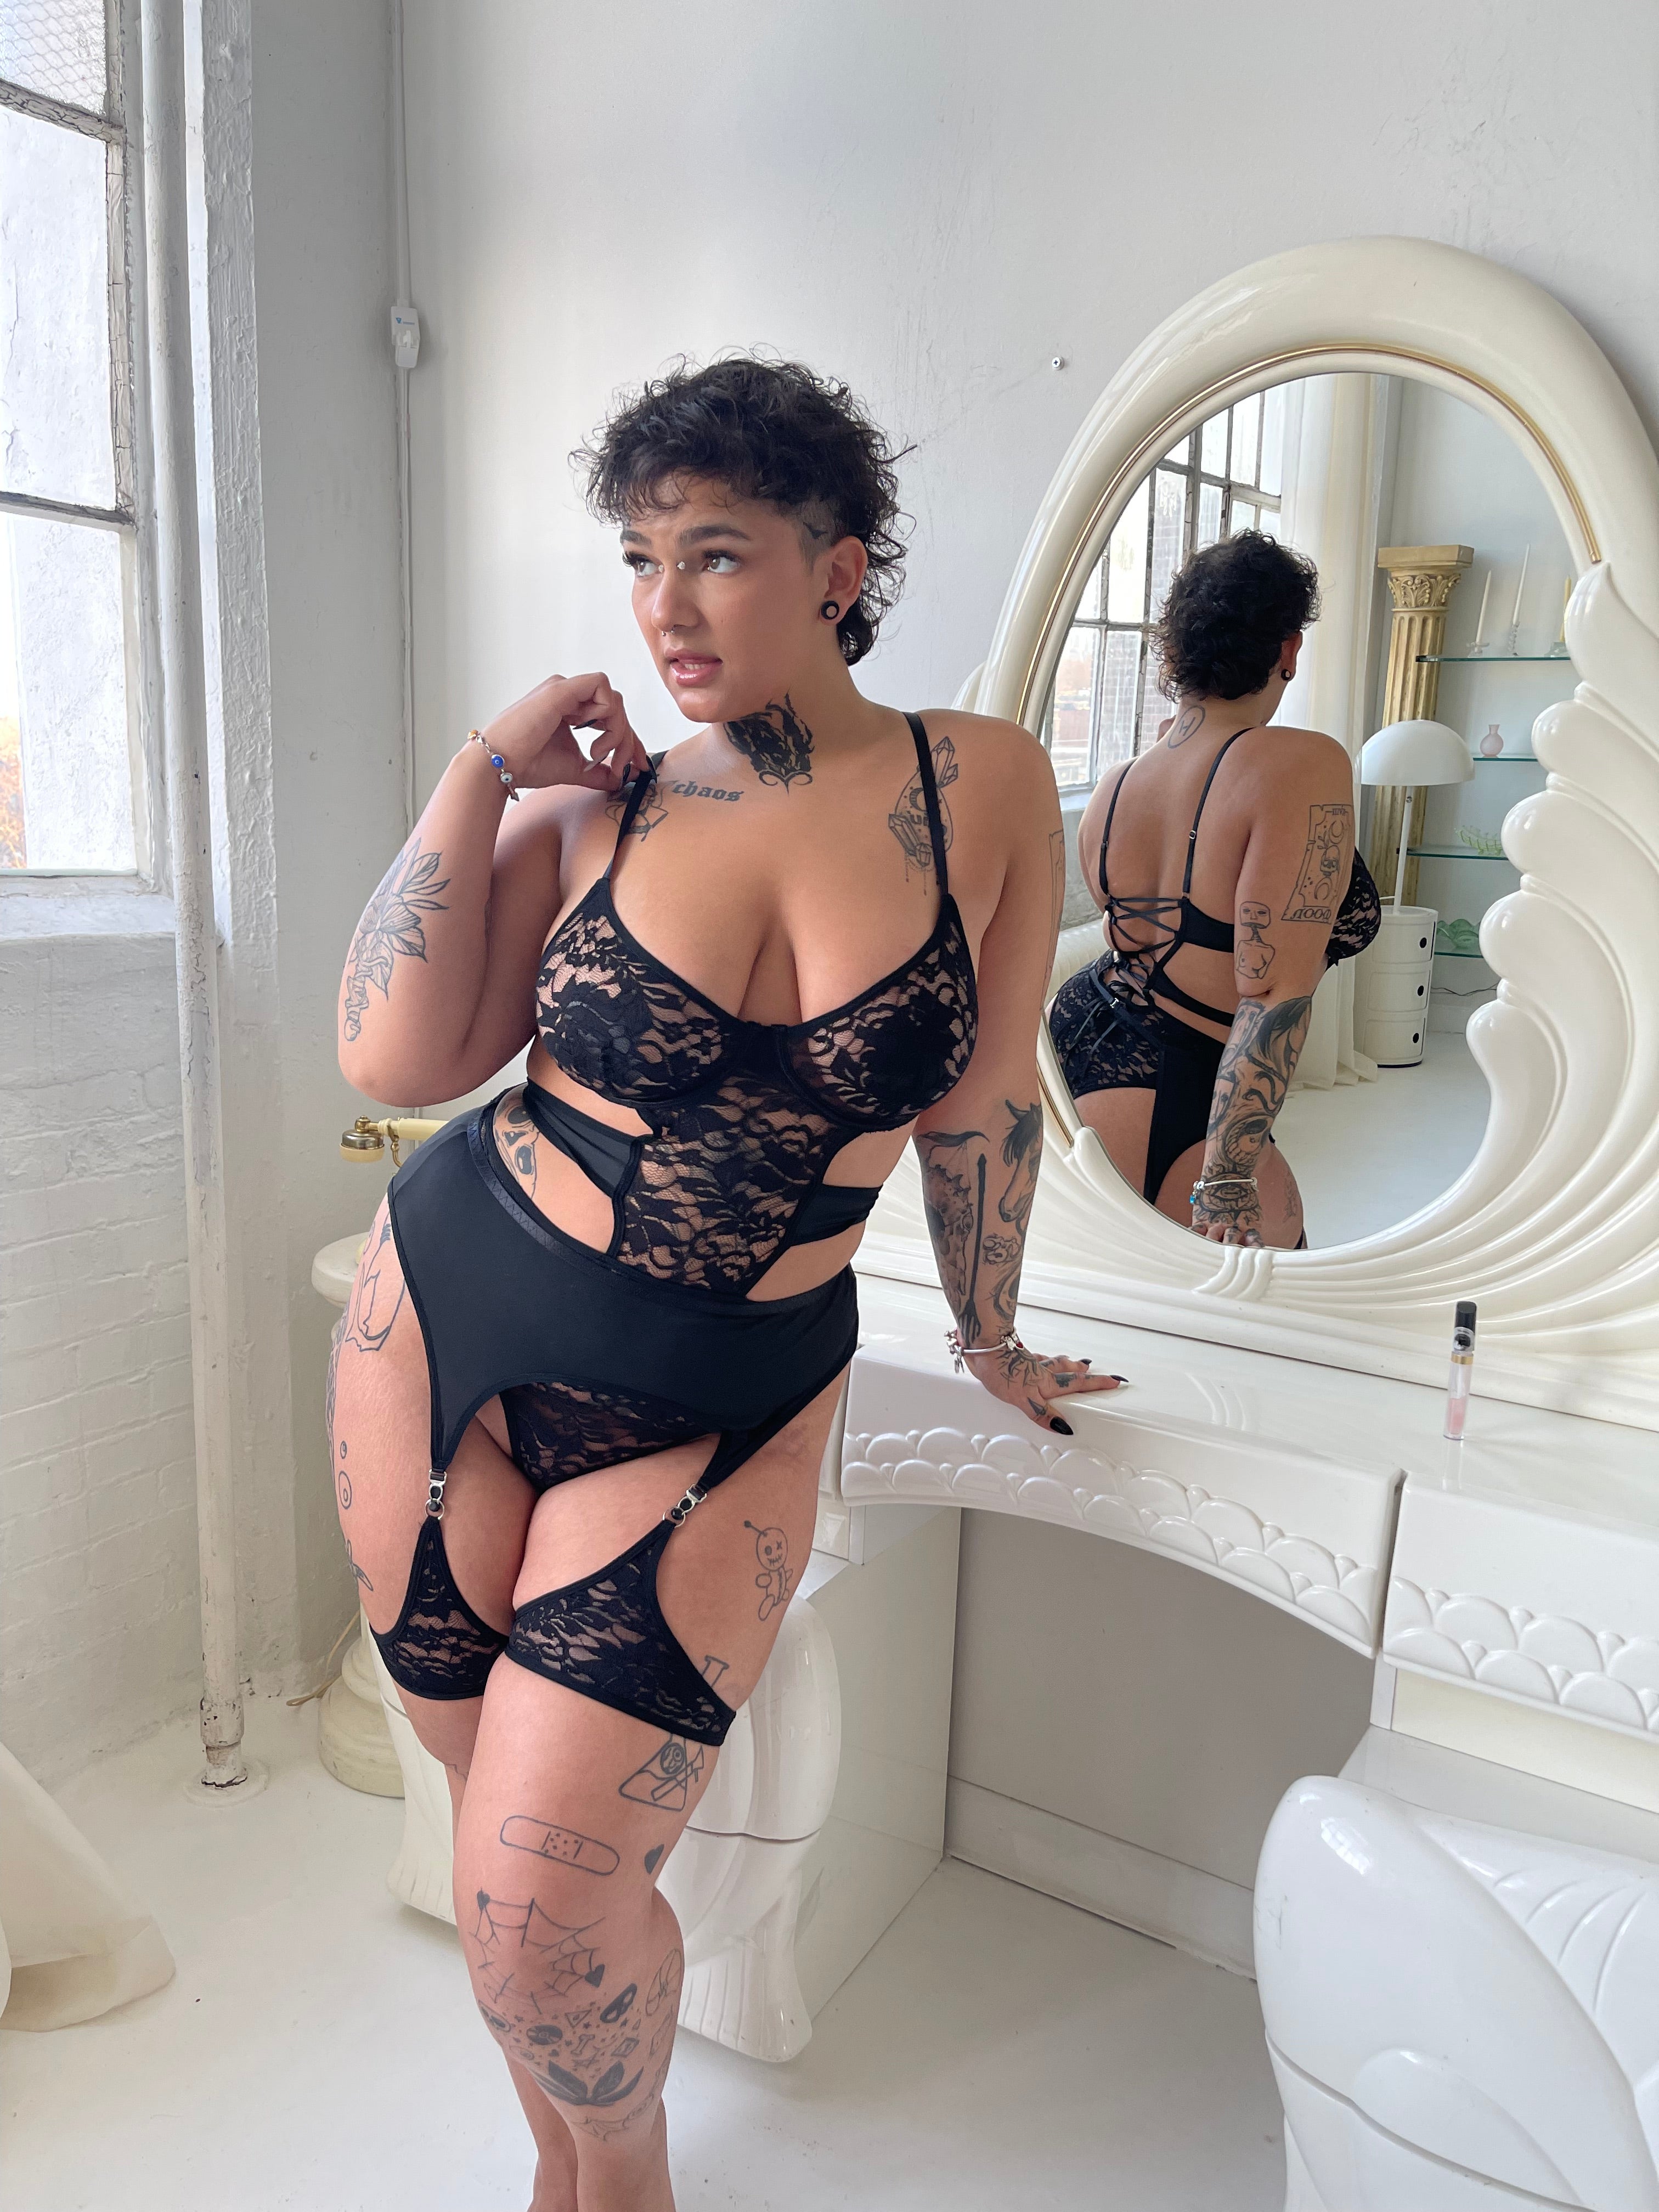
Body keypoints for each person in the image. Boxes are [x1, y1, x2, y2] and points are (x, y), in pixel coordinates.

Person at [329, 356, 1121, 2211]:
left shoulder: (981, 783)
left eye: (715, 554)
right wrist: (480, 773)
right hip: (451, 1318)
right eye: (638, 559)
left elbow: (985, 1096)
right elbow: (388, 1056)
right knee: (495, 1854)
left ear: (839, 569)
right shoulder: (605, 806)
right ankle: (570, 2168)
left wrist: (990, 1330)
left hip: (728, 1392)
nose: (664, 608)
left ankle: (627, 2174)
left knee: (542, 1898)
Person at [1048, 532, 1380, 1250]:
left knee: (1123, 1299)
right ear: (1289, 649)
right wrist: (1228, 1179)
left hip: (1075, 1047)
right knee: (1252, 1307)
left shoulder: (1118, 782)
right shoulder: (1301, 764)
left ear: (1173, 653)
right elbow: (1273, 992)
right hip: (1189, 1087)